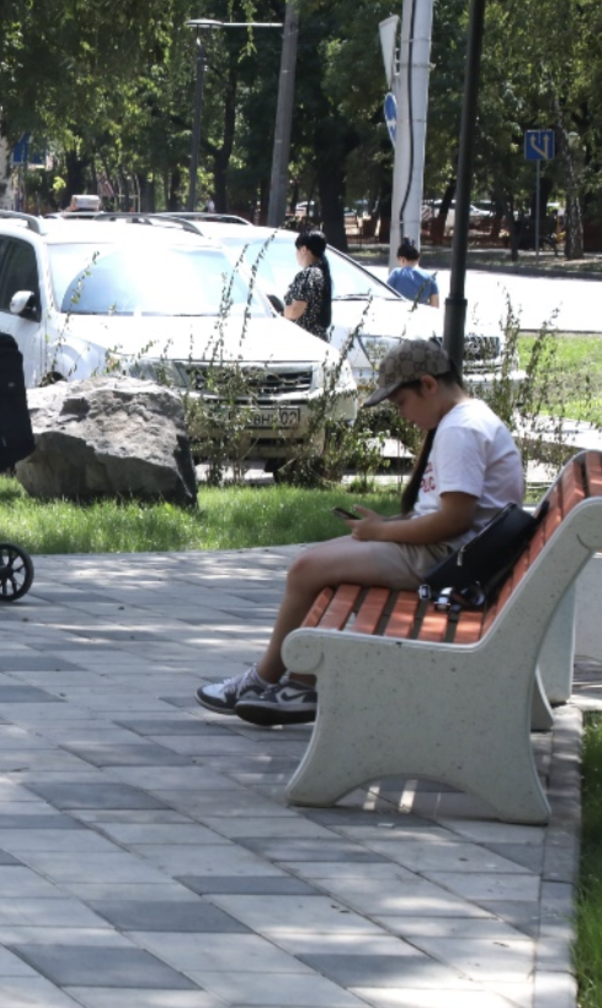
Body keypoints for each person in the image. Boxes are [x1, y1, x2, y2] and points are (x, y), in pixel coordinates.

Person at [194, 338, 523, 725]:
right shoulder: (468, 418)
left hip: (445, 562)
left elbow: (455, 521)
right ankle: (299, 683)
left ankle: (263, 678)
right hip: (454, 556)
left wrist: (384, 533)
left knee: (307, 568)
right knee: (322, 561)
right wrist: (385, 526)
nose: (402, 415)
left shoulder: (459, 430)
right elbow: (452, 513)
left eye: (401, 403)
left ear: (429, 385)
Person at [282, 229, 333, 340]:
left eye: (297, 249)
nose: (296, 254)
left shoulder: (308, 274)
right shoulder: (321, 273)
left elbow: (295, 312)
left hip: (304, 339)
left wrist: (281, 311)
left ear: (304, 250)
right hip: (319, 339)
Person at [386, 239, 441, 308]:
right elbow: (435, 306)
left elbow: (386, 296)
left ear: (402, 259)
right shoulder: (430, 278)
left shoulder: (396, 274)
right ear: (418, 259)